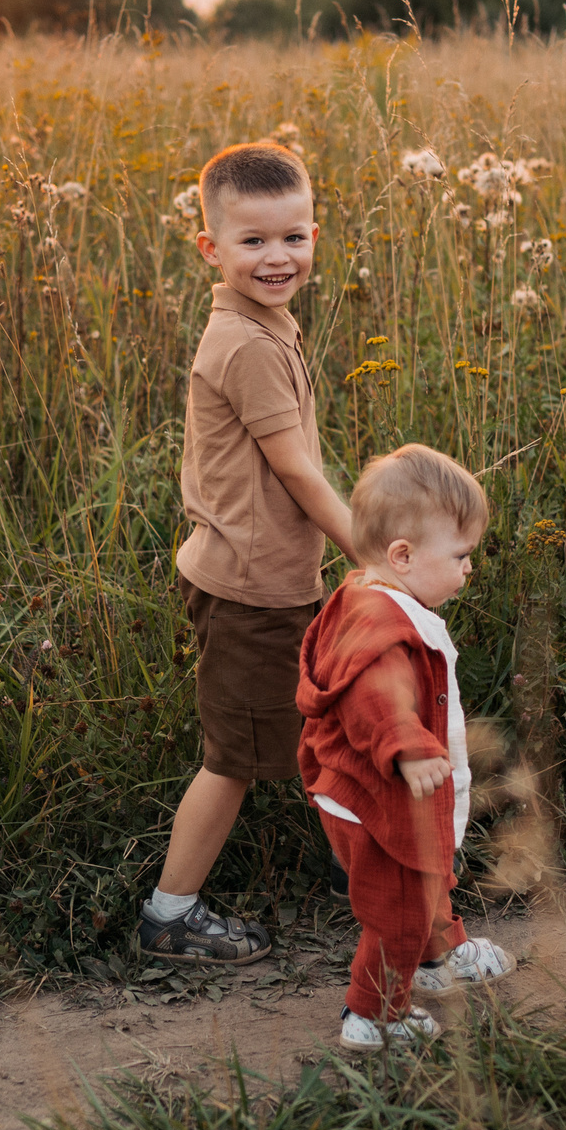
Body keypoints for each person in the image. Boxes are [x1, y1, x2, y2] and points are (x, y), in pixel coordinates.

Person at [136, 141, 357, 965]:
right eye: (254, 241)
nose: (278, 257)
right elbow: (297, 470)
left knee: (324, 726)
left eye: (294, 237)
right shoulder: (252, 344)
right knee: (233, 759)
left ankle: (358, 863)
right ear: (211, 249)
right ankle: (171, 913)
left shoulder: (262, 321)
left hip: (258, 576)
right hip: (250, 592)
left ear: (314, 234)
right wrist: (370, 553)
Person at [295, 444, 515, 1049]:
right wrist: (407, 746)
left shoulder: (374, 595)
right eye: (462, 555)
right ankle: (374, 1015)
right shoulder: (381, 626)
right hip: (381, 795)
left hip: (376, 791)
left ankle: (440, 954)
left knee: (426, 877)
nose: (469, 568)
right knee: (396, 910)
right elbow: (375, 697)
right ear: (403, 556)